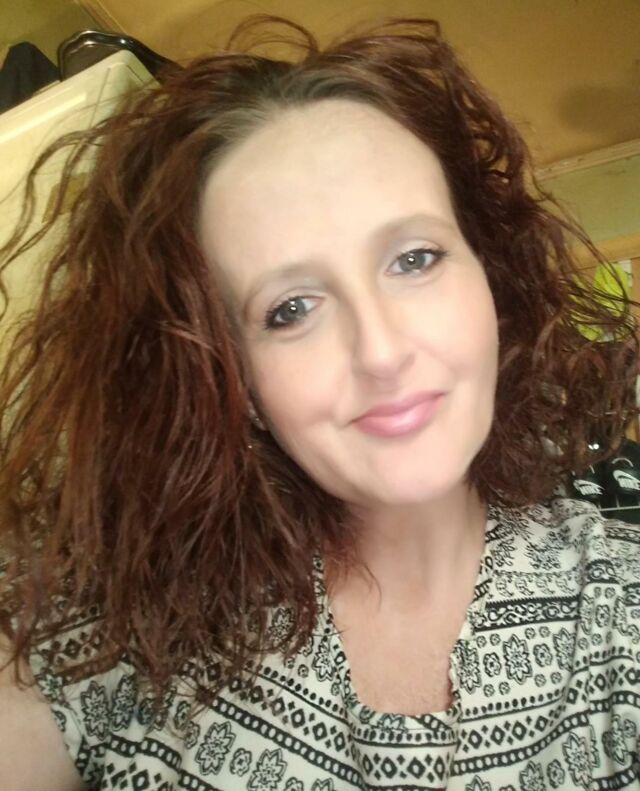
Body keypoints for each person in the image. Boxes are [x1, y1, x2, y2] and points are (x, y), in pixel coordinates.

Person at [0, 15, 639, 791]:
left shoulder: (622, 601)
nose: (381, 351)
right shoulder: (101, 627)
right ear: (236, 379)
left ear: (491, 281)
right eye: (290, 308)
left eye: (415, 257)